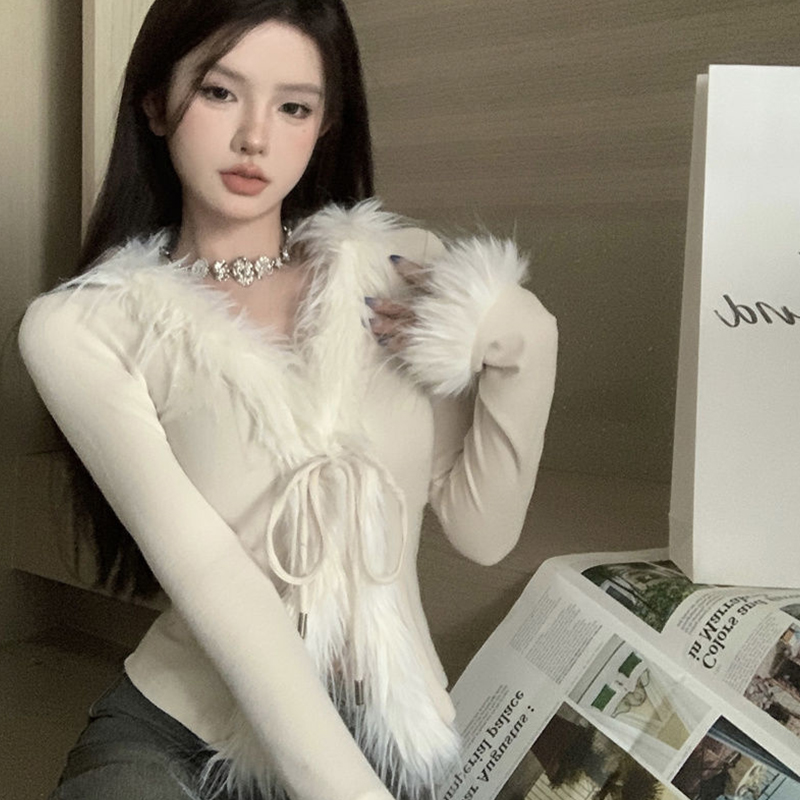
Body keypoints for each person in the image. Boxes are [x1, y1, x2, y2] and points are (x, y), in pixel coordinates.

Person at [19, 0, 558, 798]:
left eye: (294, 107)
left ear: (326, 123)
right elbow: (212, 574)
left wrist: (526, 339)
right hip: (179, 732)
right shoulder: (85, 327)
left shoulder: (397, 273)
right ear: (156, 104)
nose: (255, 138)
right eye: (219, 92)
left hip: (386, 724)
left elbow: (482, 531)